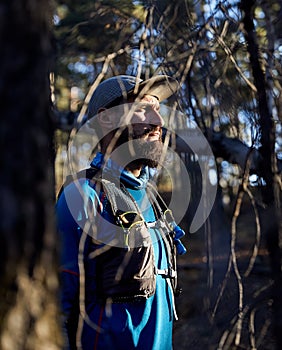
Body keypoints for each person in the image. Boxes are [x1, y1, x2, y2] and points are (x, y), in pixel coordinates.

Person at [56, 75, 186, 350]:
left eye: (158, 110)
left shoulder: (155, 202)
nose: (158, 122)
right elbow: (59, 309)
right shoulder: (82, 196)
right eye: (143, 108)